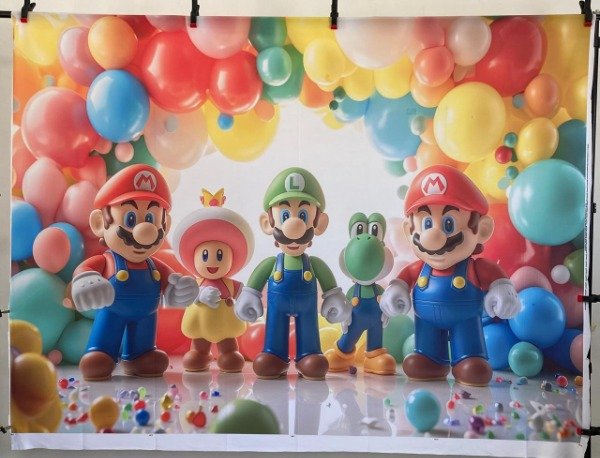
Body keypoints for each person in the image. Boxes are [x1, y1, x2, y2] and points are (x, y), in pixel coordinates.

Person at [380, 165, 521, 386]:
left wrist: (503, 290)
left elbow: (496, 278)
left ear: (482, 229)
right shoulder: (418, 268)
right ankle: (430, 359)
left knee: (470, 359)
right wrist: (396, 289)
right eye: (426, 223)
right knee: (424, 351)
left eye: (448, 224)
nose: (432, 236)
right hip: (426, 321)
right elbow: (403, 279)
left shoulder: (475, 267)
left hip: (465, 320)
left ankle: (469, 358)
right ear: (409, 230)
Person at [67, 165, 198, 381]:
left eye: (151, 220)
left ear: (165, 225)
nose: (145, 231)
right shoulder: (108, 260)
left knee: (145, 344)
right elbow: (86, 269)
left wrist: (178, 288)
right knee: (104, 343)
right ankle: (101, 352)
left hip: (146, 314)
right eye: (130, 219)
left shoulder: (155, 265)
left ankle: (140, 355)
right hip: (113, 312)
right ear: (99, 223)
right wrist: (86, 279)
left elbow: (171, 281)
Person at [235, 167, 351, 380]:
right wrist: (249, 295)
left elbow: (329, 285)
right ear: (267, 223)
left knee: (309, 329)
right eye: (285, 215)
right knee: (274, 327)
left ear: (319, 224)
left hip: (307, 307)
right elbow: (254, 283)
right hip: (277, 307)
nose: (294, 226)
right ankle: (274, 354)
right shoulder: (271, 264)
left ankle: (309, 354)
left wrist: (334, 297)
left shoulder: (314, 264)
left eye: (303, 215)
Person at [171, 188, 254, 373]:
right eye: (205, 255)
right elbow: (185, 296)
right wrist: (199, 295)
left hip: (226, 322)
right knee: (199, 344)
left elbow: (244, 293)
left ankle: (229, 354)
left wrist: (248, 301)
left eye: (220, 255)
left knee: (229, 344)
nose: (212, 262)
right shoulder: (195, 283)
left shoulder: (231, 284)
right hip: (200, 323)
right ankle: (200, 354)